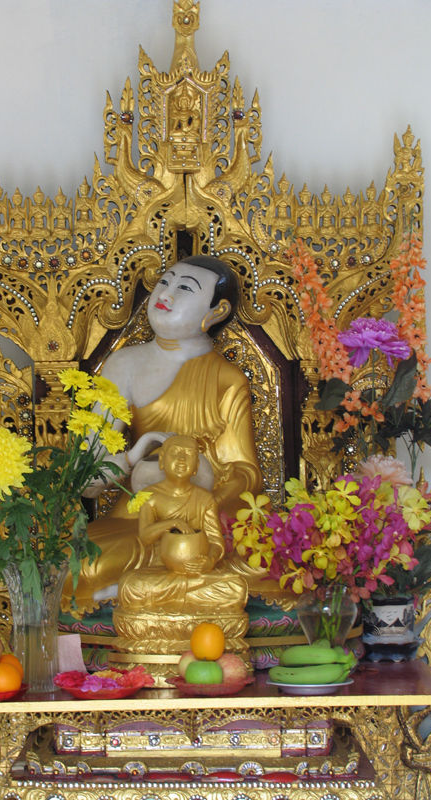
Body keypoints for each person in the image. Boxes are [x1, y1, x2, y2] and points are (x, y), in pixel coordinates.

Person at [61, 254, 264, 615]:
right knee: (75, 565)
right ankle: (177, 585)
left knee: (268, 558)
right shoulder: (123, 365)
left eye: (185, 288)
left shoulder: (227, 379)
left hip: (207, 518)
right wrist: (135, 453)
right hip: (140, 517)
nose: (166, 294)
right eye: (165, 282)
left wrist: (203, 507)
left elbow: (244, 471)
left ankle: (142, 588)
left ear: (216, 311)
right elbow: (85, 480)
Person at [116, 435, 249, 614]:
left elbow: (216, 541)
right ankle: (189, 600)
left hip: (197, 572)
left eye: (189, 454)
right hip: (161, 570)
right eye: (175, 453)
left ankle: (176, 600)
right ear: (162, 461)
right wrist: (172, 523)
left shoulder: (205, 499)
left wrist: (209, 561)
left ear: (196, 466)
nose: (181, 459)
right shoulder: (149, 496)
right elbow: (145, 537)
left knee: (236, 587)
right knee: (131, 586)